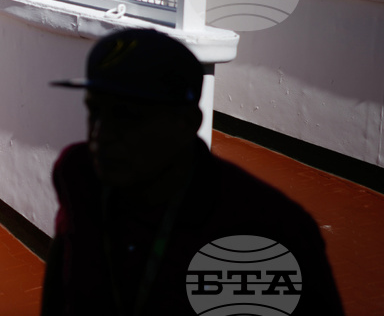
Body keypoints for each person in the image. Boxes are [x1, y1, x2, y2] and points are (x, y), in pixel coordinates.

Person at [41, 28, 344, 316]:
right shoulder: (78, 171)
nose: (100, 135)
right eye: (95, 111)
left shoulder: (266, 226)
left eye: (128, 118)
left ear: (188, 122)